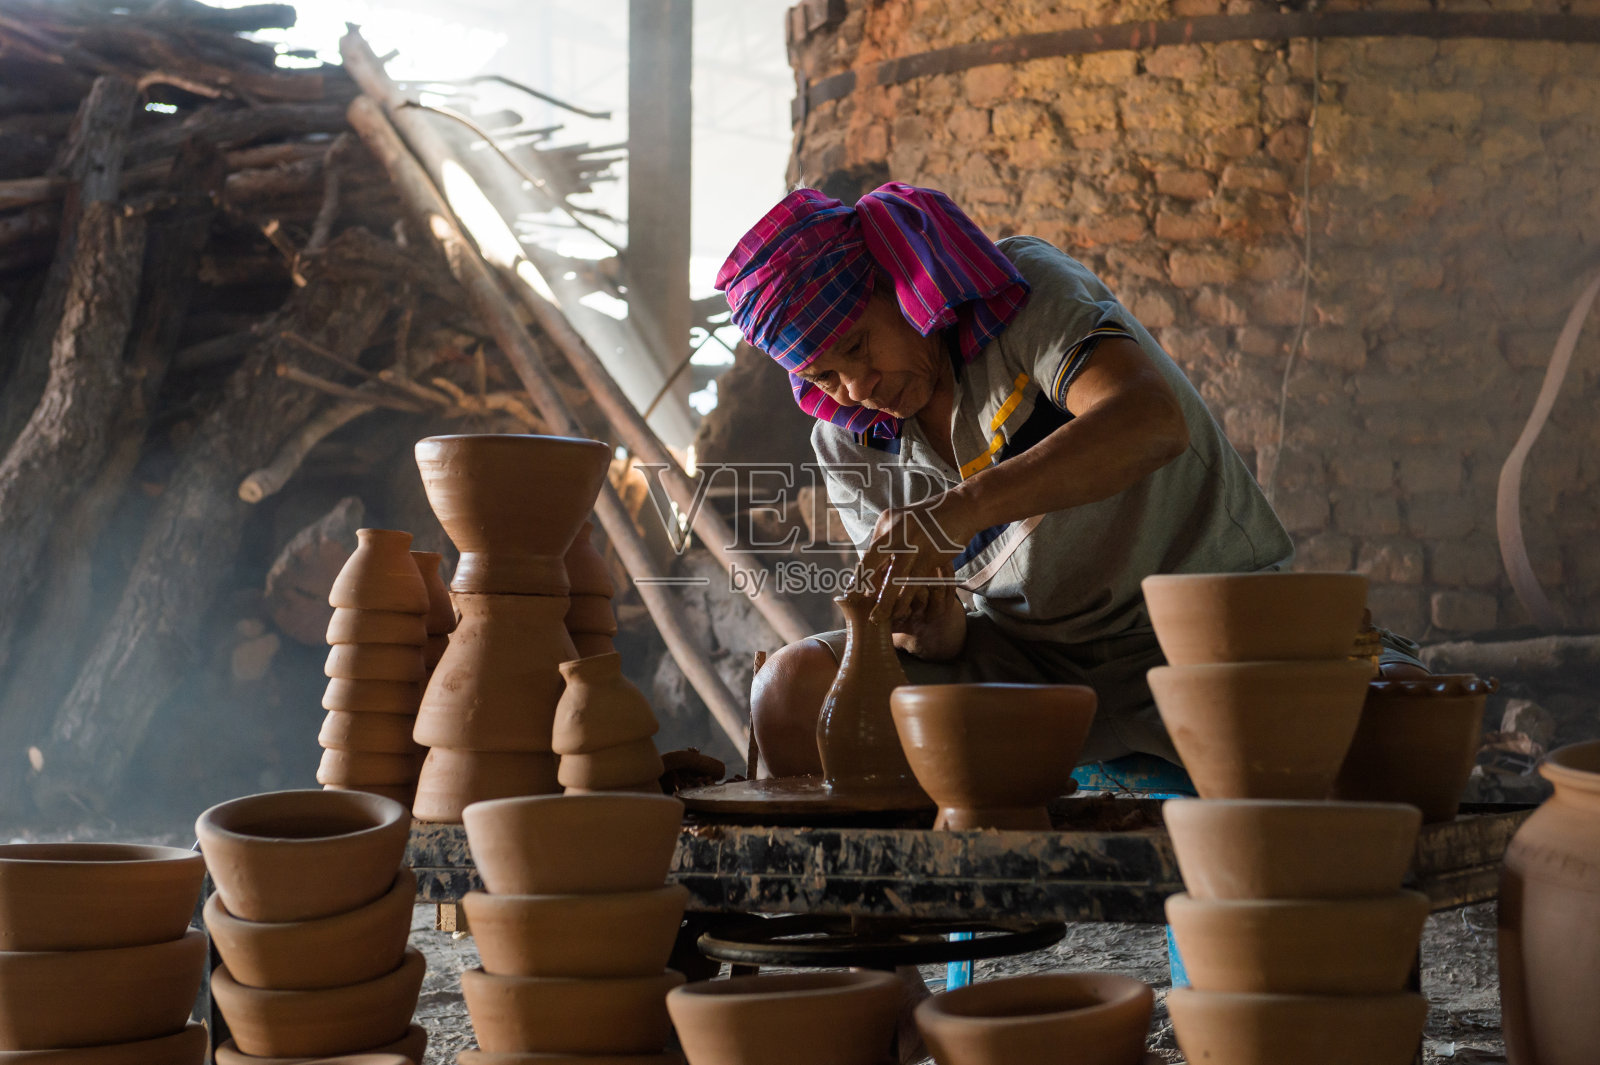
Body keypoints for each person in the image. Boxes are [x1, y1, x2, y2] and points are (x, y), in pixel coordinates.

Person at [715, 181, 1422, 779]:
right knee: (790, 692)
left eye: (858, 345)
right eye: (823, 376)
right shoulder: (847, 442)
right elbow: (944, 636)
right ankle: (878, 940)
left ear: (899, 283)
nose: (856, 386)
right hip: (1031, 666)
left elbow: (1149, 421)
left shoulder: (1020, 293)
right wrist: (932, 627)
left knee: (1404, 720)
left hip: (1203, 634)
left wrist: (956, 513)